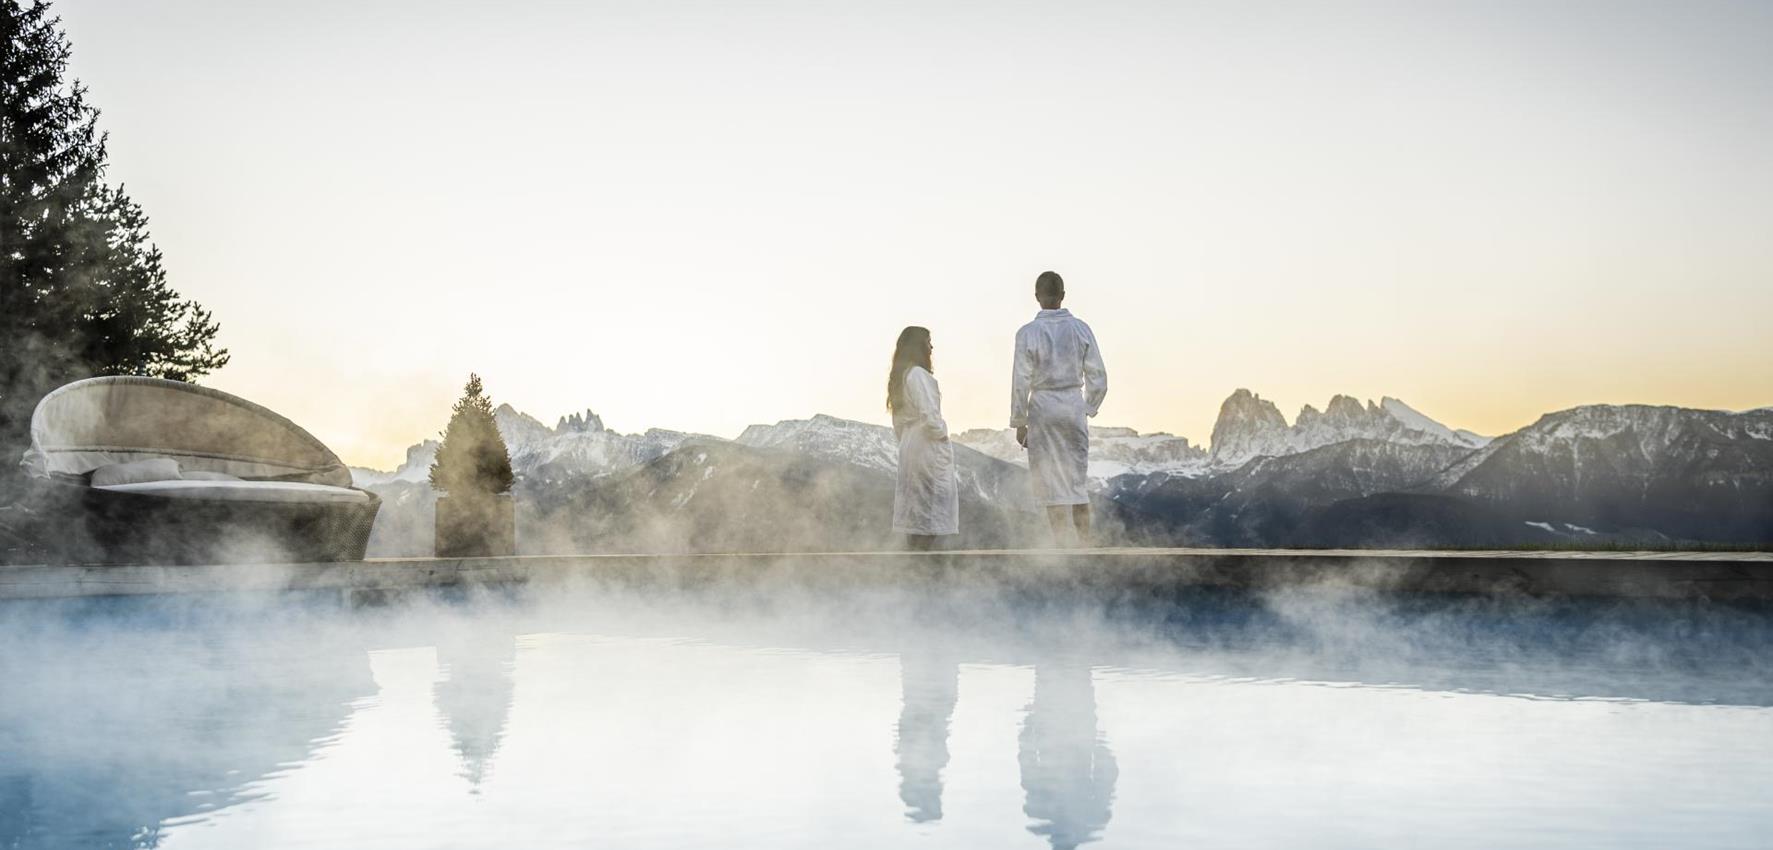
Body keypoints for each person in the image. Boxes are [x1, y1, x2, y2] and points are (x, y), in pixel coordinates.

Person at [1010, 271, 1107, 545]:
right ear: (1063, 295)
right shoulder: (1081, 329)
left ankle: (1063, 548)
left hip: (1042, 407)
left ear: (1037, 297)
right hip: (1072, 404)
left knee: (1051, 483)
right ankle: (1086, 545)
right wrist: (1087, 407)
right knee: (1076, 481)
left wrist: (1019, 421)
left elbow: (1020, 380)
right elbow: (1098, 376)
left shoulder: (1027, 333)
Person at [888, 326, 958, 549]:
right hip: (926, 446)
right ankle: (928, 570)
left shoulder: (902, 378)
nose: (931, 347)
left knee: (916, 510)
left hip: (910, 444)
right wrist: (942, 436)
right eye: (928, 342)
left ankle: (915, 568)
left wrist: (909, 441)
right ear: (918, 346)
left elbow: (898, 423)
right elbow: (930, 416)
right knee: (930, 510)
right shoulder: (919, 375)